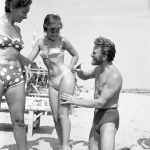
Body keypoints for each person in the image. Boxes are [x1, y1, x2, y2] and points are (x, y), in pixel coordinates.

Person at [26, 14, 79, 150]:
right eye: (52, 30)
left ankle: (65, 146)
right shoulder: (40, 43)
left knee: (63, 114)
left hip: (64, 78)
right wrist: (25, 66)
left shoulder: (63, 41)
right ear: (46, 28)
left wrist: (70, 68)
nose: (55, 33)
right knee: (55, 117)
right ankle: (62, 144)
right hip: (52, 82)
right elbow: (29, 59)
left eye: (57, 30)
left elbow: (75, 55)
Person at [61, 36, 123, 150]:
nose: (91, 55)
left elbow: (101, 103)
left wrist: (75, 100)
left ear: (104, 56)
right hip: (97, 116)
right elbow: (85, 76)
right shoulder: (98, 69)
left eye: (94, 52)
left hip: (109, 117)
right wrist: (79, 72)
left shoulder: (114, 76)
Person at [0, 0, 32, 150]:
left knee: (19, 120)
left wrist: (26, 63)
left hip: (16, 75)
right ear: (12, 7)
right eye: (24, 12)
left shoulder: (18, 30)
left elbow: (15, 53)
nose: (25, 17)